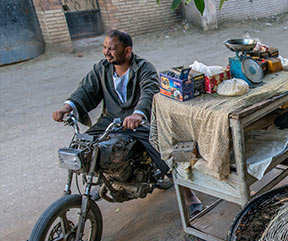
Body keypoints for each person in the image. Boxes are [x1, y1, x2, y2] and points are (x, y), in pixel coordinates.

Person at [51, 30, 203, 215]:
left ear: (128, 51)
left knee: (163, 152)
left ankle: (188, 194)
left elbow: (149, 91)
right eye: (105, 48)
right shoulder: (101, 68)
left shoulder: (143, 68)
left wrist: (138, 114)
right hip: (110, 120)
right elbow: (86, 90)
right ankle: (100, 180)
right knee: (83, 145)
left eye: (112, 49)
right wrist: (67, 108)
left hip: (140, 123)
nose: (107, 52)